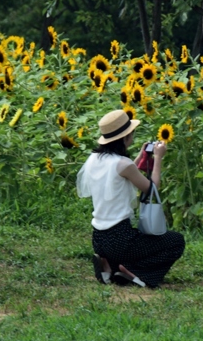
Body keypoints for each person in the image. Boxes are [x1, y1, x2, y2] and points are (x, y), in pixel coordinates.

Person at [76, 109, 185, 288]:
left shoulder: (94, 158)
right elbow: (152, 190)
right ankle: (135, 273)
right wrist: (158, 158)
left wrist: (141, 157)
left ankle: (108, 266)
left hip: (99, 239)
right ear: (125, 137)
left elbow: (122, 174)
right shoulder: (123, 164)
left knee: (136, 246)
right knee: (175, 241)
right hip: (121, 240)